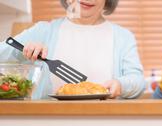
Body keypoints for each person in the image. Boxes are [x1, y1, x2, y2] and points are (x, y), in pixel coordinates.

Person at [0, 0, 145, 99]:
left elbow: (138, 81)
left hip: (106, 125)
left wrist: (120, 85)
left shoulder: (123, 37)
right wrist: (23, 51)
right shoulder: (44, 31)